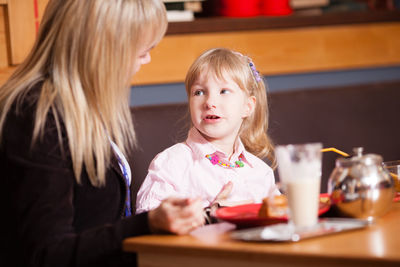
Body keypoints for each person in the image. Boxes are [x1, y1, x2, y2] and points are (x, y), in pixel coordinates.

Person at [0, 1, 204, 267]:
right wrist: (147, 224)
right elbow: (45, 254)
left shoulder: (80, 106)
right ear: (102, 47)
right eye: (141, 49)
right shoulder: (35, 118)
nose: (147, 59)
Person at [136, 48, 278, 219]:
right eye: (199, 92)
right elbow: (147, 222)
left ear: (248, 106)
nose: (210, 102)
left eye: (224, 91)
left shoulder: (260, 172)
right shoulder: (172, 164)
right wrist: (208, 215)